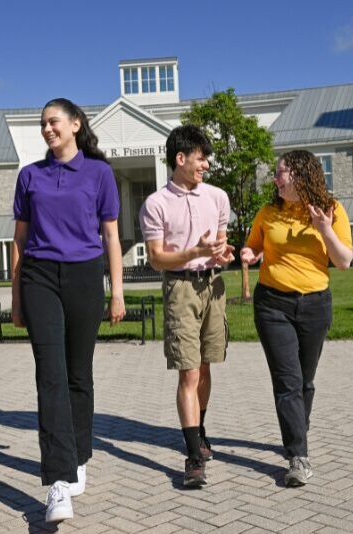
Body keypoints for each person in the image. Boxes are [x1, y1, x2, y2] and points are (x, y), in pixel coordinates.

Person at [10, 98, 125, 523]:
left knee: (79, 373)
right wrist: (17, 298)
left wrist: (117, 292)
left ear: (75, 124)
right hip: (39, 276)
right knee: (51, 375)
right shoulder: (30, 176)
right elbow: (19, 241)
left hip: (83, 277)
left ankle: (78, 455)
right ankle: (58, 481)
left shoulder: (99, 173)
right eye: (42, 124)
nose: (47, 129)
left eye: (53, 121)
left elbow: (111, 237)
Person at [240, 150, 353, 487]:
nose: (275, 179)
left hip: (316, 305)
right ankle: (297, 456)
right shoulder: (268, 211)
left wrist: (324, 229)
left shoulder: (331, 209)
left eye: (281, 173)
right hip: (273, 304)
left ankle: (297, 429)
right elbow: (254, 247)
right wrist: (250, 252)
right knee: (288, 381)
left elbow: (344, 260)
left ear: (302, 176)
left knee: (305, 380)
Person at [139, 125, 234, 488]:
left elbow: (221, 246)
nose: (206, 165)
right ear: (180, 159)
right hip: (180, 287)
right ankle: (193, 456)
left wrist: (223, 253)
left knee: (207, 368)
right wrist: (193, 252)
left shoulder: (218, 198)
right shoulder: (156, 204)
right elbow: (157, 259)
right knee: (189, 373)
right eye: (200, 158)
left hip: (214, 285)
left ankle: (200, 430)